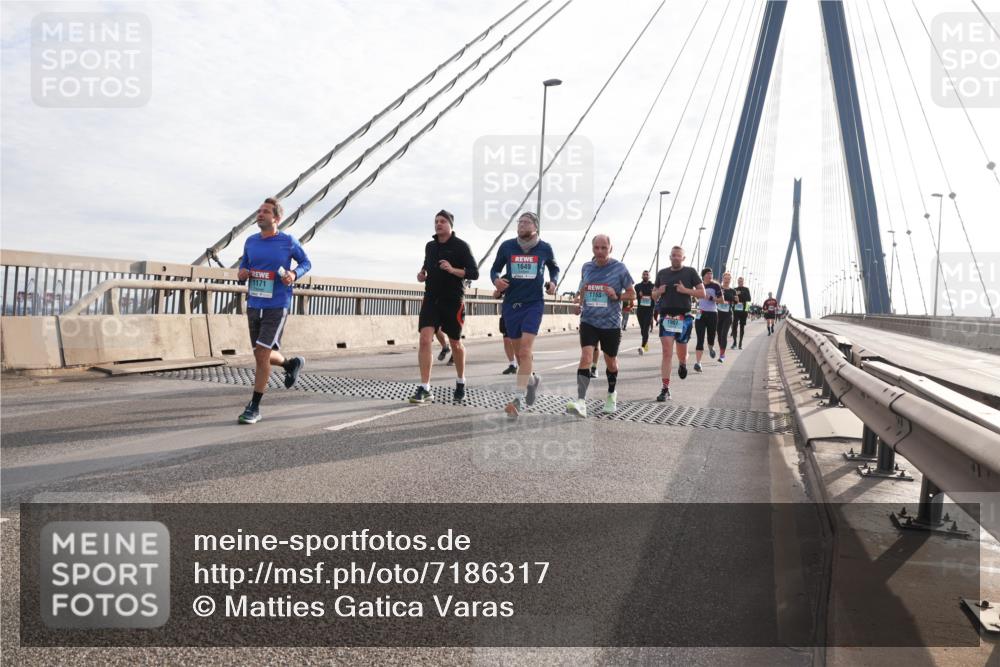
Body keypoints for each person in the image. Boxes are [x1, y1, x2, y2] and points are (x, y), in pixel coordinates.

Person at [236, 198, 312, 424]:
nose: (260, 214)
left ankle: (255, 407)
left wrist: (293, 275)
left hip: (277, 304)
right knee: (262, 353)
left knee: (261, 353)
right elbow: (245, 265)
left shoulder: (287, 241)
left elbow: (306, 263)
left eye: (265, 212)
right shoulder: (250, 241)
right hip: (254, 304)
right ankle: (290, 364)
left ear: (276, 218)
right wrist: (242, 273)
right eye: (259, 211)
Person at [489, 211, 560, 419]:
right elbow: (494, 269)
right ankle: (531, 381)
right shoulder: (507, 246)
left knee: (526, 349)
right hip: (511, 304)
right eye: (519, 221)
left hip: (533, 304)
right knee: (520, 353)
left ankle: (517, 399)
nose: (521, 224)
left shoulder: (544, 248)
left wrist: (553, 282)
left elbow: (554, 268)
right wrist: (496, 281)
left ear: (535, 226)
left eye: (526, 221)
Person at [410, 210, 479, 404]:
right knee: (425, 340)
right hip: (431, 298)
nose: (438, 224)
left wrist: (452, 269)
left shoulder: (461, 246)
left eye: (442, 221)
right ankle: (425, 388)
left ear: (450, 225)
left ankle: (460, 381)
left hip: (453, 300)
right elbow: (426, 266)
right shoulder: (430, 246)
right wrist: (422, 274)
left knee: (455, 343)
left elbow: (474, 273)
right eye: (436, 221)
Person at [566, 235, 635, 417]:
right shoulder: (587, 267)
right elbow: (583, 288)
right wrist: (578, 303)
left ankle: (611, 394)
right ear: (592, 249)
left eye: (604, 248)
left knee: (610, 361)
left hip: (611, 323)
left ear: (610, 248)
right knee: (586, 357)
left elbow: (632, 294)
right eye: (596, 248)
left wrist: (616, 295)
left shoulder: (620, 269)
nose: (600, 252)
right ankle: (581, 401)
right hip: (589, 321)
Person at [653, 246, 706, 401]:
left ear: (683, 258)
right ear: (670, 257)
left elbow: (702, 293)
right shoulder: (662, 273)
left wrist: (685, 291)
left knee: (681, 353)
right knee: (667, 353)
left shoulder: (690, 272)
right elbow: (653, 296)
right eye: (673, 255)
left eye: (679, 256)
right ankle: (665, 389)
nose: (676, 258)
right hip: (666, 316)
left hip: (684, 317)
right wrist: (658, 292)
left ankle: (682, 363)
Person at [693, 268, 722, 373]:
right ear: (703, 275)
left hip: (712, 314)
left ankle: (710, 348)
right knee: (700, 339)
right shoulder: (699, 285)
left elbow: (721, 300)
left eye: (711, 274)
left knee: (711, 337)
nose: (710, 276)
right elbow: (695, 296)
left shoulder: (716, 286)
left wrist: (711, 298)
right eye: (708, 274)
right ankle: (698, 363)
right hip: (700, 314)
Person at [634, 270, 655, 354]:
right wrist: (639, 295)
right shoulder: (637, 286)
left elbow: (656, 296)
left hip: (649, 310)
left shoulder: (653, 286)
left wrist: (651, 295)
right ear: (642, 276)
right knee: (642, 329)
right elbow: (635, 295)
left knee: (646, 328)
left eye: (647, 275)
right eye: (644, 274)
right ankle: (646, 344)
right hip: (640, 310)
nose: (645, 276)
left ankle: (642, 347)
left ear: (649, 276)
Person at [717, 272, 735, 363]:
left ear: (730, 280)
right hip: (718, 314)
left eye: (729, 278)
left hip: (728, 315)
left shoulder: (733, 291)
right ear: (722, 279)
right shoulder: (718, 288)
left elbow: (736, 301)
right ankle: (721, 349)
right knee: (719, 335)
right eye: (725, 278)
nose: (727, 280)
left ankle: (722, 355)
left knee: (724, 335)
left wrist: (735, 300)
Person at [731, 276, 751, 349]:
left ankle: (740, 344)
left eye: (741, 281)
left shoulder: (746, 289)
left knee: (742, 327)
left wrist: (747, 310)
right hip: (736, 310)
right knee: (734, 326)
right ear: (737, 282)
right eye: (739, 281)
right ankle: (735, 342)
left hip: (743, 311)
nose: (740, 282)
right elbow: (732, 298)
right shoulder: (734, 289)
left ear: (743, 282)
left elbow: (749, 300)